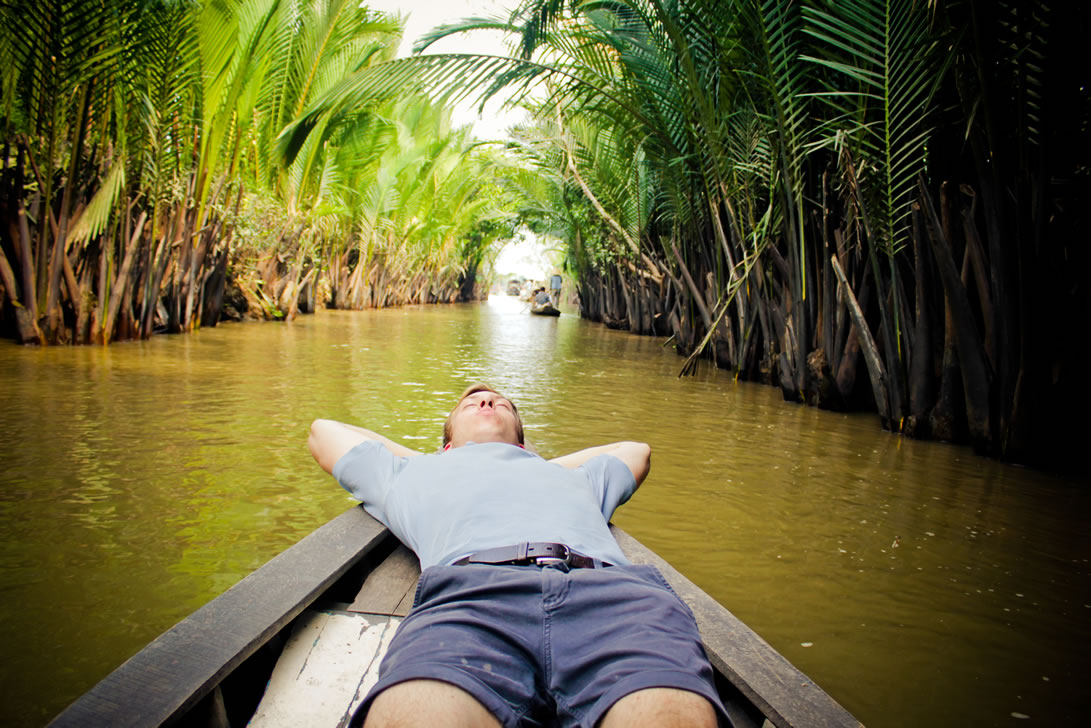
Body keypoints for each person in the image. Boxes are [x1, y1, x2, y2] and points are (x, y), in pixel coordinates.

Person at [308, 384, 728, 728]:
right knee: (414, 712)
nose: (487, 401)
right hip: (471, 601)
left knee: (669, 716)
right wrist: (442, 461)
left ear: (524, 439)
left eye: (500, 403)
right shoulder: (406, 474)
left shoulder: (573, 479)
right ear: (446, 440)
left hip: (608, 595)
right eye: (470, 403)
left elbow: (635, 450)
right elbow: (323, 431)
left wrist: (526, 461)